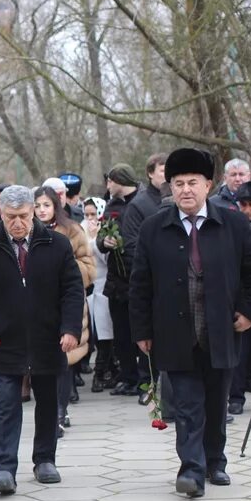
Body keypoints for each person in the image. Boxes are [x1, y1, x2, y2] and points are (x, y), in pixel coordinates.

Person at [130, 147, 251, 498]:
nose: (186, 190)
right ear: (169, 187)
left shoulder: (232, 222)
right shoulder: (156, 227)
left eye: (193, 183)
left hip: (222, 329)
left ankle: (215, 461)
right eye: (178, 183)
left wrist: (249, 311)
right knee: (186, 405)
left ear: (208, 185)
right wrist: (141, 331)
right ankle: (191, 469)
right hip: (174, 331)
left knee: (216, 403)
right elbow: (140, 283)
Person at [0, 185, 84, 495]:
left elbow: (72, 290)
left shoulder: (57, 244)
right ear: (1, 215)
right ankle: (4, 467)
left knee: (47, 401)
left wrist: (70, 329)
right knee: (7, 404)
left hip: (48, 337)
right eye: (11, 217)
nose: (18, 222)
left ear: (34, 212)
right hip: (5, 338)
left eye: (23, 215)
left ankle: (44, 460)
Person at [35, 185, 95, 430]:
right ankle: (50, 410)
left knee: (65, 357)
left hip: (66, 301)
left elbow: (89, 267)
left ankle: (60, 411)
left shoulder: (72, 230)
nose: (41, 210)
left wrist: (62, 270)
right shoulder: (25, 231)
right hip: (37, 305)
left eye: (46, 205)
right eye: (37, 206)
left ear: (56, 206)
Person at [99, 164, 141, 398]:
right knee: (121, 334)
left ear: (120, 180)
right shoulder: (111, 206)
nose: (108, 186)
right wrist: (104, 242)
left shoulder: (141, 203)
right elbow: (100, 236)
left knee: (140, 331)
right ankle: (128, 376)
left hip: (136, 279)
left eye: (110, 181)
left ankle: (145, 379)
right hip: (116, 280)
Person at [229, 180, 251, 414]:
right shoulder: (235, 228)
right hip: (245, 300)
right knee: (240, 352)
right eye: (244, 204)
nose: (249, 210)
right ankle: (235, 396)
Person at [83, 198, 115, 392]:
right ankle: (103, 371)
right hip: (90, 289)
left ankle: (102, 372)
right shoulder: (81, 230)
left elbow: (106, 258)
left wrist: (96, 241)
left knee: (106, 334)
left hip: (104, 287)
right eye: (86, 215)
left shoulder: (106, 230)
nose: (89, 219)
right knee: (96, 333)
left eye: (93, 214)